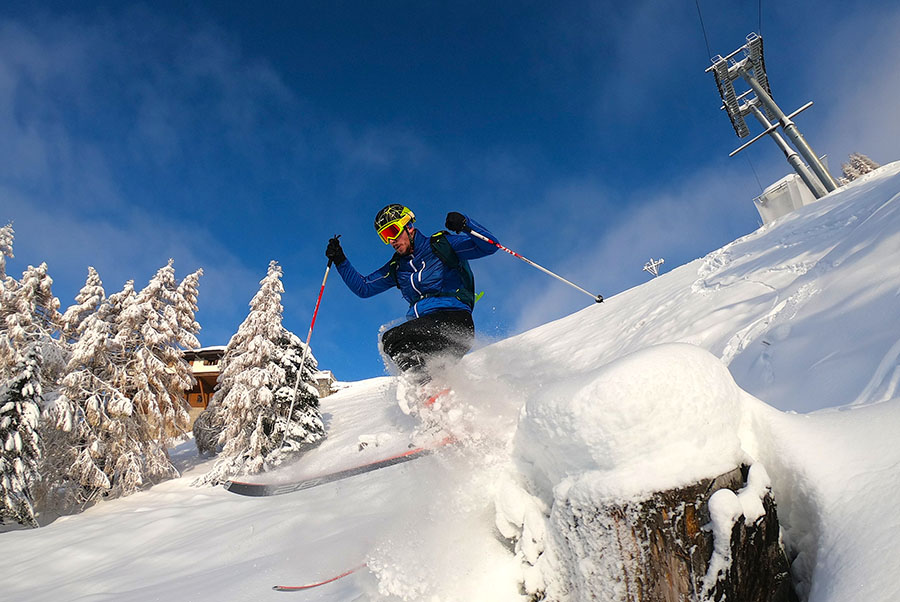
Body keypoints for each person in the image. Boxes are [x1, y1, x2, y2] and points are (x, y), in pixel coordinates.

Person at [325, 204, 498, 385]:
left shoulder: (440, 246)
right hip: (425, 332)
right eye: (385, 236)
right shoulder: (398, 267)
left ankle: (427, 389)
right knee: (422, 363)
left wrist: (465, 225)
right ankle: (441, 403)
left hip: (454, 320)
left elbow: (490, 246)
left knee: (394, 339)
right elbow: (364, 288)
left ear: (409, 226)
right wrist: (340, 260)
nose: (391, 240)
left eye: (393, 231)